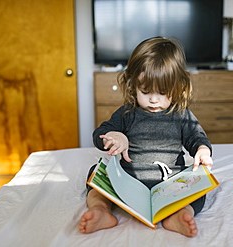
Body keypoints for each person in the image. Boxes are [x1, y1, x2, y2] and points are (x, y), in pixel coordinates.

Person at [78, 36, 213, 237]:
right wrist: (114, 136)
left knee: (200, 184)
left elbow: (197, 137)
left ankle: (180, 214)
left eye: (163, 92)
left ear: (179, 87)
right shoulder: (126, 113)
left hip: (169, 185)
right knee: (95, 174)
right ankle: (101, 210)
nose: (153, 99)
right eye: (145, 90)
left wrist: (202, 150)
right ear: (133, 84)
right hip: (128, 184)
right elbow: (99, 134)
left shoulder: (182, 114)